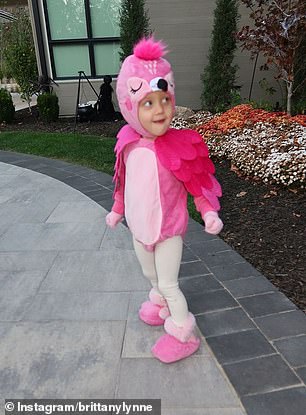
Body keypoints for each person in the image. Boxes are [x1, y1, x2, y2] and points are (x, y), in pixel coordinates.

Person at [106, 37, 223, 363]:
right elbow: (123, 182)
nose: (159, 110)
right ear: (129, 106)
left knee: (170, 283)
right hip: (139, 227)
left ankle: (183, 332)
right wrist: (117, 210)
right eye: (147, 103)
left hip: (169, 230)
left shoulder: (178, 146)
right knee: (151, 275)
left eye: (164, 99)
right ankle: (159, 301)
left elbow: (197, 186)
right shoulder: (128, 143)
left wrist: (209, 213)